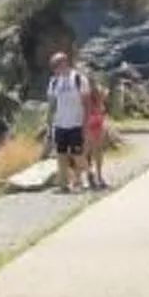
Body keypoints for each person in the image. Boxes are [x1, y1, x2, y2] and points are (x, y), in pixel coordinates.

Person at [46, 51, 89, 192]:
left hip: (76, 123)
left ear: (65, 63)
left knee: (78, 155)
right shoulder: (54, 82)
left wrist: (85, 124)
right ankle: (63, 184)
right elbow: (52, 104)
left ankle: (80, 180)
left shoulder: (78, 79)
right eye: (53, 66)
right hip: (60, 124)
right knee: (61, 155)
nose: (55, 69)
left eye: (56, 65)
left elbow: (86, 103)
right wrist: (49, 124)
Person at [83, 71, 109, 191]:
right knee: (89, 150)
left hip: (95, 121)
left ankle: (96, 175)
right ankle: (92, 174)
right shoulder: (85, 93)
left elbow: (102, 104)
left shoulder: (97, 92)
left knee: (95, 150)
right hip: (91, 121)